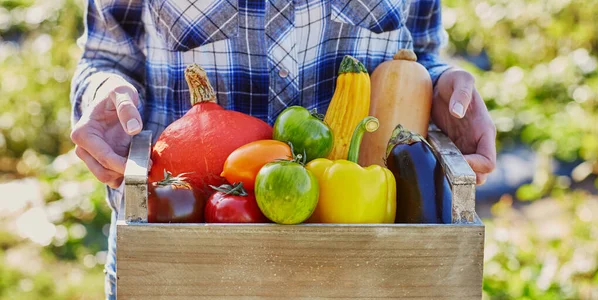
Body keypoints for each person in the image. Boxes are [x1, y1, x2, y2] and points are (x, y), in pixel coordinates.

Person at [70, 0, 497, 298]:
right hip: (181, 260)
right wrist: (102, 92)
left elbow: (418, 48)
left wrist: (439, 84)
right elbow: (107, 55)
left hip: (370, 265)